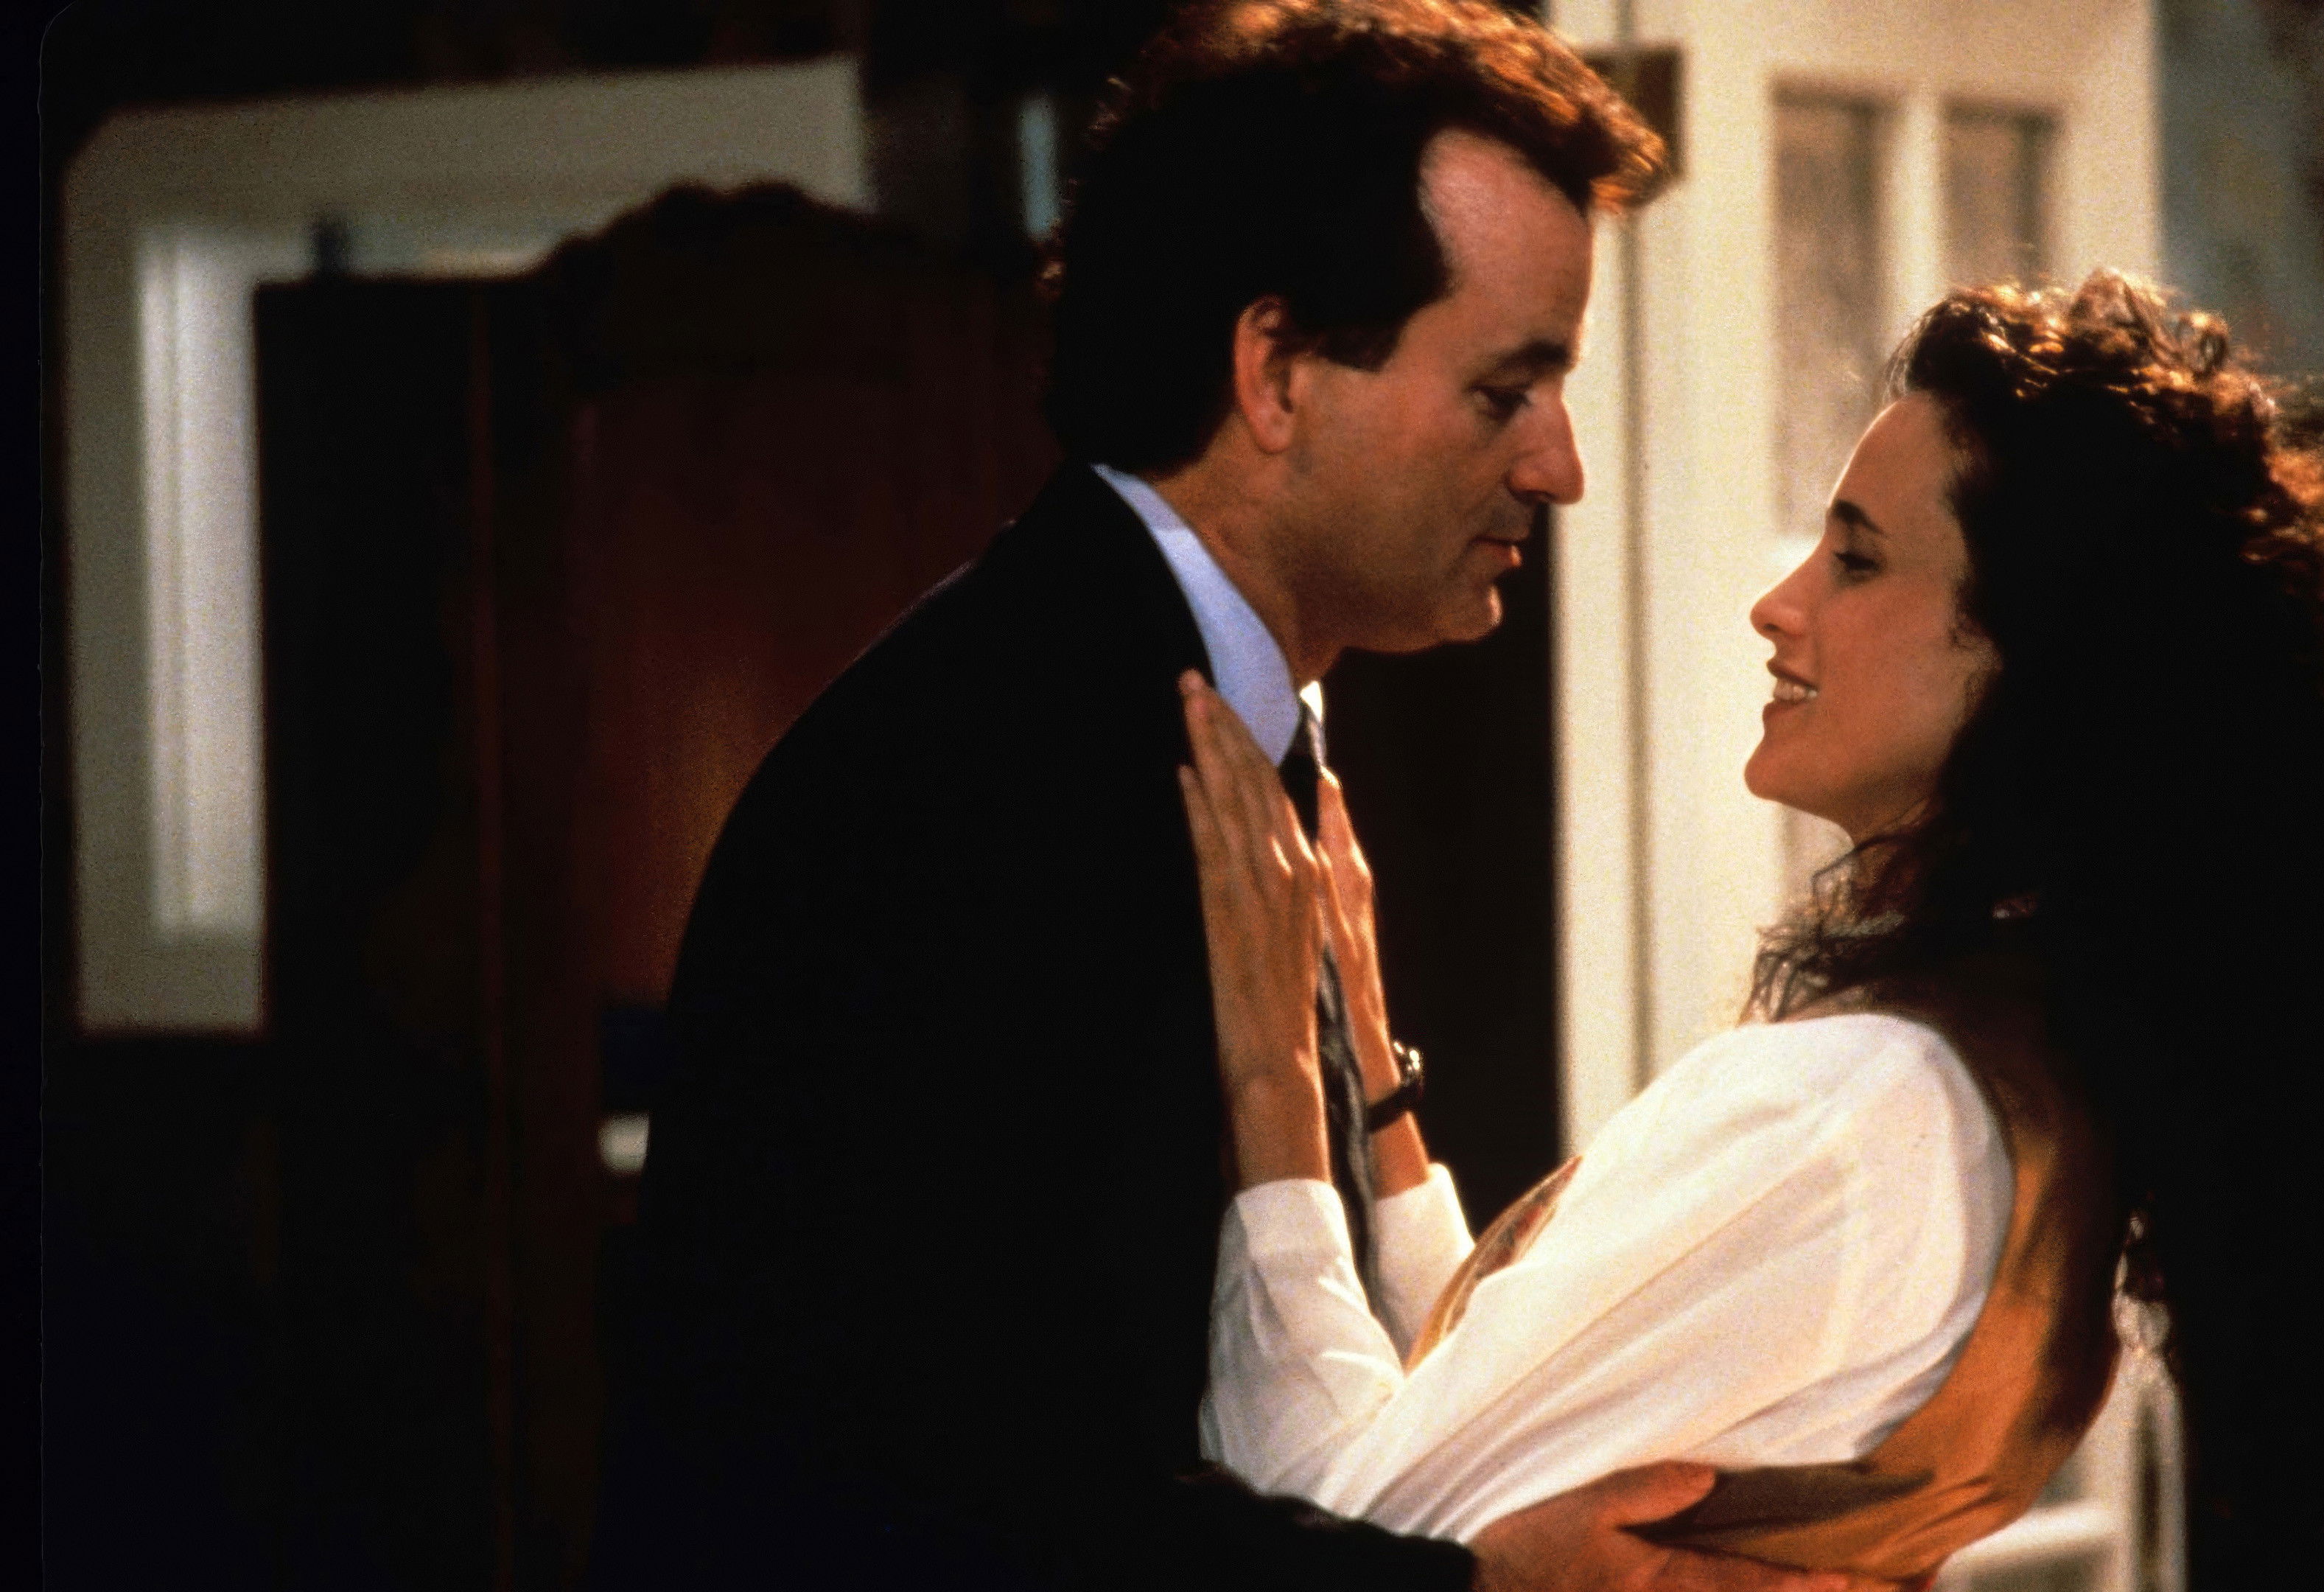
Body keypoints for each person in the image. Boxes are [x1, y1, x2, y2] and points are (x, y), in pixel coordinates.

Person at [588, 4, 1864, 1591]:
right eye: (1505, 390)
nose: (1562, 467)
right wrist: (1479, 1588)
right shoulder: (1006, 768)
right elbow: (966, 1491)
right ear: (1274, 371)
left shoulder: (1184, 721)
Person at [1174, 272, 2324, 1588]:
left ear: (2039, 667)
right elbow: (1503, 1415)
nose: (1781, 603)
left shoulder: (1854, 1114)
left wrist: (1276, 1089)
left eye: (1858, 560)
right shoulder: (2031, 1099)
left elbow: (1341, 1543)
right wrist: (1379, 1094)